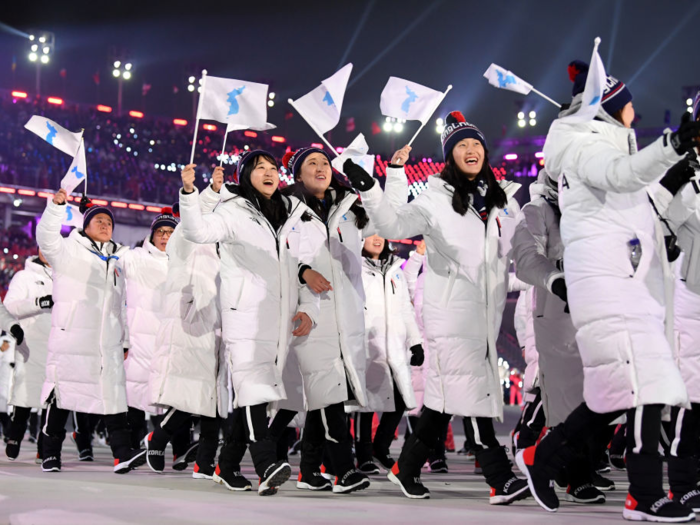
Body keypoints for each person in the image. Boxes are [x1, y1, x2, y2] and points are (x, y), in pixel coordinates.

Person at [516, 63, 700, 522]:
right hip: (608, 282)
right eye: (630, 106)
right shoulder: (585, 147)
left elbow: (632, 201)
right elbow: (621, 177)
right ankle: (643, 493)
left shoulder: (601, 149)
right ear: (614, 108)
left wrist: (673, 178)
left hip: (625, 282)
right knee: (644, 387)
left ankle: (545, 456)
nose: (635, 114)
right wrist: (672, 146)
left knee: (622, 391)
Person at [343, 111, 529, 504]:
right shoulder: (435, 199)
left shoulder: (501, 200)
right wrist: (375, 189)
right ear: (450, 155)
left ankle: (405, 467)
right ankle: (498, 475)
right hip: (451, 314)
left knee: (442, 404)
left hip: (484, 316)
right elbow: (392, 225)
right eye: (461, 145)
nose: (470, 150)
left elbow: (512, 256)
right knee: (473, 392)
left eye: (475, 143)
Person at [178, 150, 319, 496]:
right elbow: (197, 231)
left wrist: (304, 308)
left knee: (254, 391)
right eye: (260, 169)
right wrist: (189, 193)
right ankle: (265, 463)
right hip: (244, 314)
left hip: (278, 319)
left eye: (273, 168)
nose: (270, 173)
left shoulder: (286, 215)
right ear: (245, 176)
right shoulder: (234, 211)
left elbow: (293, 266)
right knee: (254, 385)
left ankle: (226, 467)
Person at [272, 146, 407, 493]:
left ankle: (308, 470)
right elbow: (275, 255)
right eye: (311, 163)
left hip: (347, 314)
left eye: (325, 163)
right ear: (297, 174)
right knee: (327, 394)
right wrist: (303, 272)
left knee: (328, 394)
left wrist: (392, 172)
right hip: (308, 312)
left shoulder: (350, 209)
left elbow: (389, 217)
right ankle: (343, 469)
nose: (321, 168)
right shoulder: (286, 209)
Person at [36, 190, 147, 473]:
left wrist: (123, 338)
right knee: (62, 397)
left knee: (114, 398)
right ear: (85, 227)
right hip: (73, 337)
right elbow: (46, 240)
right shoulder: (69, 250)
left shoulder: (120, 258)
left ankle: (122, 454)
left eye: (108, 222)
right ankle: (50, 453)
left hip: (106, 342)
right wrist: (56, 208)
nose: (104, 225)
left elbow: (122, 305)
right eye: (98, 220)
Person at [147, 167, 229, 483]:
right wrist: (207, 192)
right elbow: (191, 224)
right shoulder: (185, 241)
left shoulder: (226, 246)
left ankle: (204, 463)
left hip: (221, 326)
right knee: (195, 394)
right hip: (189, 325)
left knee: (213, 398)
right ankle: (160, 437)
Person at [657, 92, 700, 512]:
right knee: (695, 394)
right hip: (693, 299)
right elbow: (660, 221)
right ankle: (684, 481)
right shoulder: (686, 175)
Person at [355, 234, 423, 474]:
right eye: (370, 235)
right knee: (365, 405)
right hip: (368, 344)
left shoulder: (395, 270)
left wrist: (416, 342)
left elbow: (406, 308)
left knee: (400, 400)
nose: (376, 239)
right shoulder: (356, 268)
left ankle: (380, 447)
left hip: (395, 346)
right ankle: (363, 455)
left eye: (380, 236)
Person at [122, 206, 178, 449]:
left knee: (171, 396)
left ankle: (174, 450)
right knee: (135, 393)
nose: (165, 237)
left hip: (170, 341)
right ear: (152, 235)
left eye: (170, 232)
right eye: (161, 232)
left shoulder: (183, 262)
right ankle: (133, 447)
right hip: (139, 340)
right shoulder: (136, 258)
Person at [3, 249, 52, 461]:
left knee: (52, 401)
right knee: (25, 395)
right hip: (30, 343)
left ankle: (45, 445)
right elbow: (9, 306)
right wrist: (39, 302)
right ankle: (15, 435)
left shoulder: (66, 277)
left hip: (57, 345)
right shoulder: (24, 276)